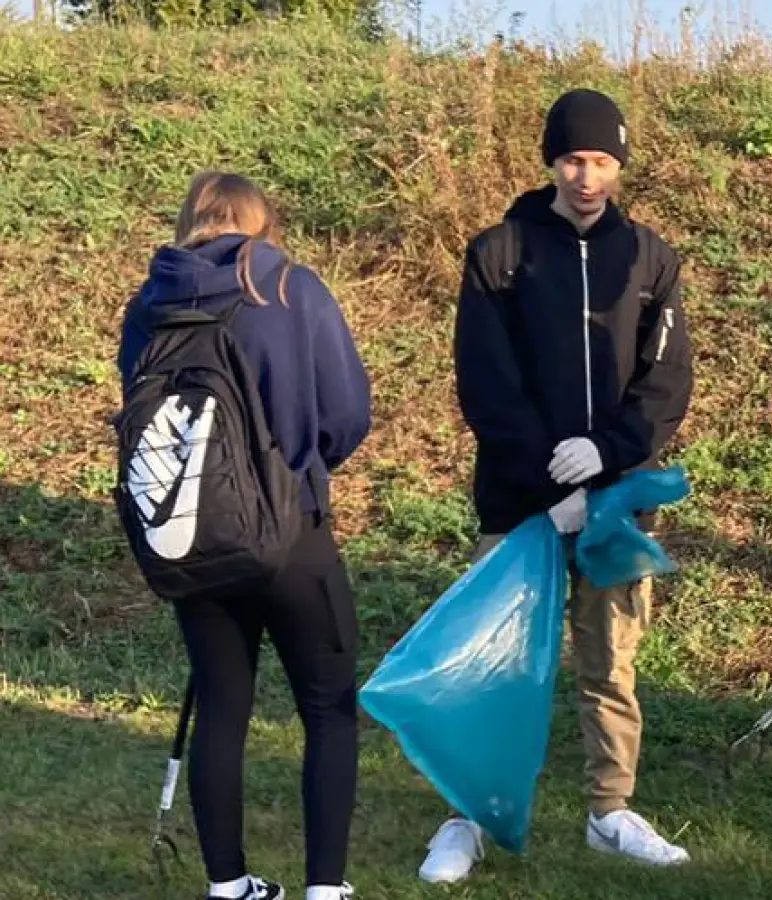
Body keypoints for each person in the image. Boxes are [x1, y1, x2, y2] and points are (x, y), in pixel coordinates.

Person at [422, 87, 695, 883]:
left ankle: (610, 809)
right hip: (518, 503)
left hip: (614, 503)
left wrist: (602, 457)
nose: (587, 176)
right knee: (499, 665)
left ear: (619, 165)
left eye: (602, 161)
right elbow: (486, 383)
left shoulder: (649, 257)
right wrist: (549, 478)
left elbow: (665, 385)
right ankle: (468, 814)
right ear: (551, 160)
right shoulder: (499, 252)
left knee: (610, 664)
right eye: (574, 159)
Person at [116, 172, 373, 900]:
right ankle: (326, 887)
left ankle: (228, 886)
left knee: (223, 706)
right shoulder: (288, 286)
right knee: (327, 705)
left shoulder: (149, 303)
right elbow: (347, 410)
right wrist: (305, 467)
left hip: (194, 530)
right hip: (293, 528)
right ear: (259, 221)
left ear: (189, 219)